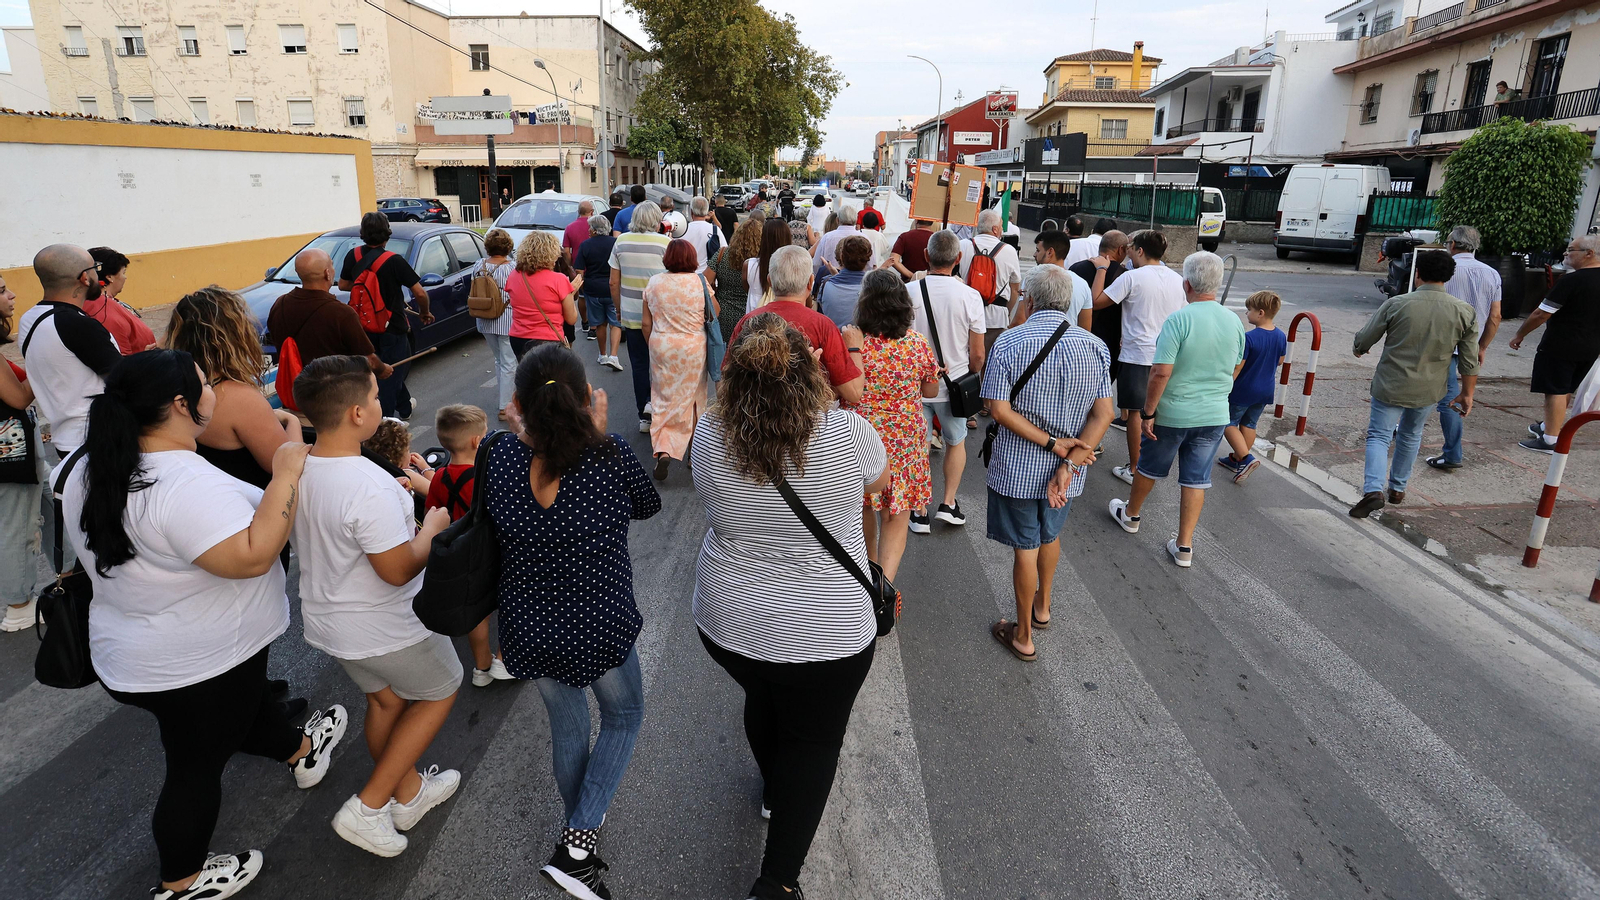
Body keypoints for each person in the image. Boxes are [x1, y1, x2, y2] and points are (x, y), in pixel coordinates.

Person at [60, 349, 347, 899]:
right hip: (199, 662)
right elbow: (252, 555)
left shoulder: (89, 464)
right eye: (205, 385)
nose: (213, 392)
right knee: (194, 766)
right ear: (179, 404)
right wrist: (288, 469)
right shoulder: (181, 484)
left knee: (235, 712)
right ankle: (182, 879)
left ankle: (301, 749)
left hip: (136, 650)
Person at [689, 313, 888, 900]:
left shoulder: (710, 433)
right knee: (813, 741)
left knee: (764, 696)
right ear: (811, 373)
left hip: (730, 622)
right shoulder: (846, 433)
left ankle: (775, 790)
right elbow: (877, 486)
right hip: (828, 631)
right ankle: (776, 883)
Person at [483, 344, 659, 898]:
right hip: (598, 626)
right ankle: (577, 844)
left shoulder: (498, 455)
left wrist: (528, 432)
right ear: (586, 399)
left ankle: (578, 829)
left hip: (529, 628)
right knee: (624, 717)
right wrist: (599, 437)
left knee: (569, 729)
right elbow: (647, 504)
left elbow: (518, 473)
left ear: (518, 406)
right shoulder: (607, 456)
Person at [290, 355, 462, 857]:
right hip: (386, 625)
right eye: (372, 396)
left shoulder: (300, 466)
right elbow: (398, 569)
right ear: (356, 414)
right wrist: (433, 528)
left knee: (386, 702)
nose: (378, 403)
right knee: (441, 689)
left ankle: (408, 794)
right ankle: (368, 807)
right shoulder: (367, 483)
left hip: (330, 624)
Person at [983, 264, 1114, 660]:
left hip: (1018, 466)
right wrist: (1070, 462)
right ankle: (1043, 607)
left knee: (1025, 545)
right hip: (1067, 473)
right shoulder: (1095, 346)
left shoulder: (1009, 342)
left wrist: (1053, 443)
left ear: (1029, 299)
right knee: (1050, 535)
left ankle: (1023, 636)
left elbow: (998, 410)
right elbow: (1104, 414)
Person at [1106, 252, 1246, 567]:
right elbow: (1238, 363)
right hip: (1213, 414)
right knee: (1196, 479)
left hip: (1174, 413)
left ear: (1187, 284)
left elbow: (1160, 372)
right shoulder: (1233, 321)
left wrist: (1148, 412)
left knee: (1149, 467)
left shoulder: (1179, 320)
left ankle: (1131, 515)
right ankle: (1184, 546)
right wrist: (1219, 390)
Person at [1348, 251, 1480, 517]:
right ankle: (1397, 489)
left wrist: (1359, 348)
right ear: (1448, 277)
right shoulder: (1464, 311)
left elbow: (1365, 338)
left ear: (1417, 273)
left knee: (1379, 435)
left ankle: (1373, 490)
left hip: (1391, 383)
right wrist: (1467, 393)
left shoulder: (1397, 304)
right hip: (1430, 387)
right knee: (1410, 434)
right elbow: (1469, 359)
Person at [849, 270, 938, 582]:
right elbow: (930, 391)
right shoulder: (916, 343)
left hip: (860, 440)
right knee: (895, 513)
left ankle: (866, 573)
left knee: (862, 507)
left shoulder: (854, 343)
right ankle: (885, 585)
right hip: (903, 441)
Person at [165, 286, 299, 489]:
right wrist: (292, 421)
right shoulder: (238, 398)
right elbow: (289, 467)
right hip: (256, 504)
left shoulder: (170, 386)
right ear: (234, 337)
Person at [420, 403, 512, 688]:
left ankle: (481, 667)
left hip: (464, 555)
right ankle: (505, 661)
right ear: (476, 441)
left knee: (477, 612)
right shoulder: (486, 477)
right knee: (508, 602)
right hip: (491, 551)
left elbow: (431, 513)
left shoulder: (439, 476)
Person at [1091, 230, 1186, 483]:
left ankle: (1135, 469)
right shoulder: (1178, 280)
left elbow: (1096, 301)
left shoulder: (1132, 277)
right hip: (1167, 355)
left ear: (1141, 251)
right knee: (1157, 413)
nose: (1128, 253)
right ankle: (1152, 468)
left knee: (1136, 413)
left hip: (1136, 355)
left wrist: (1101, 269)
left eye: (1131, 248)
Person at [907, 230, 985, 534]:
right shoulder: (970, 296)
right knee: (956, 442)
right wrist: (971, 375)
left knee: (918, 447)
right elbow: (977, 354)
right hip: (954, 387)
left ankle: (918, 511)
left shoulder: (907, 292)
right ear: (958, 258)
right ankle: (948, 503)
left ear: (926, 256)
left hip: (913, 386)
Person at [18, 243, 120, 457]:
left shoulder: (29, 319)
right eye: (95, 268)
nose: (97, 273)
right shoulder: (76, 325)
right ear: (84, 278)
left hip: (66, 440)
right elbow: (122, 377)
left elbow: (69, 365)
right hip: (98, 441)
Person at [731, 245, 864, 404]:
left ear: (770, 281)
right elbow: (853, 393)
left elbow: (726, 384)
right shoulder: (822, 325)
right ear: (810, 282)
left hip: (754, 413)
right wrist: (854, 349)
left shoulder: (748, 321)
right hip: (807, 413)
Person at [339, 212, 434, 419]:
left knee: (382, 369)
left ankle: (405, 408)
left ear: (363, 233)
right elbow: (419, 293)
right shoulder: (394, 261)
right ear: (387, 234)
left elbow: (343, 285)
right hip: (393, 326)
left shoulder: (353, 256)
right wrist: (424, 312)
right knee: (390, 374)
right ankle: (385, 421)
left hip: (363, 324)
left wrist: (365, 285)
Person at [1510, 234, 1599, 453]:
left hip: (1562, 343)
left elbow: (1541, 313)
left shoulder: (1573, 280)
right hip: (1591, 345)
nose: (1566, 254)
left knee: (1555, 390)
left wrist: (1520, 334)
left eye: (1572, 250)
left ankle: (1550, 440)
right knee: (1566, 387)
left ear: (1589, 253)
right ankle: (1551, 426)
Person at [267, 248, 393, 397]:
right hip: (333, 396)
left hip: (297, 392)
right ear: (327, 273)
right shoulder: (342, 313)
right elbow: (369, 359)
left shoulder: (280, 304)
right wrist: (382, 369)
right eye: (332, 265)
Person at [1427, 225, 1502, 469]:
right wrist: (1483, 346)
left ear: (1452, 244)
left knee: (1446, 397)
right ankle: (1449, 451)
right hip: (1470, 343)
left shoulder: (1446, 270)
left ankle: (1452, 454)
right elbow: (1495, 316)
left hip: (1442, 342)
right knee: (1449, 393)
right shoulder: (1492, 274)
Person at [643, 238, 715, 480]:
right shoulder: (700, 282)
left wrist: (654, 345)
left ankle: (664, 450)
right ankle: (694, 454)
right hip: (693, 347)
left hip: (662, 346)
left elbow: (646, 323)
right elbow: (715, 311)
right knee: (694, 398)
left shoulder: (654, 282)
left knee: (663, 398)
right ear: (692, 258)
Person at [0, 273, 44, 632]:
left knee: (53, 504)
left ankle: (68, 575)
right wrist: (46, 362)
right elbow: (18, 397)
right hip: (10, 455)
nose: (12, 295)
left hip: (19, 450)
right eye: (2, 291)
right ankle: (18, 606)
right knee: (16, 528)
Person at [610, 201, 671, 433]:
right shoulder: (665, 243)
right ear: (657, 220)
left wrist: (619, 309)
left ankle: (644, 415)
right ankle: (660, 409)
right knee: (662, 364)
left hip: (632, 313)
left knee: (639, 364)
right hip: (660, 315)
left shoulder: (621, 242)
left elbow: (613, 282)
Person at [1216, 291, 1287, 483]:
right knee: (1249, 423)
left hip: (1244, 389)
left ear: (1260, 313)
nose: (1247, 313)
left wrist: (1226, 386)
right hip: (1265, 390)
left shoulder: (1249, 338)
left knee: (1228, 422)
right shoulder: (1281, 336)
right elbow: (1280, 360)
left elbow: (1238, 366)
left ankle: (1245, 458)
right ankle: (1237, 460)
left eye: (1249, 310)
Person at [507, 231, 581, 360]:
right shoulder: (559, 279)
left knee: (528, 372)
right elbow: (571, 319)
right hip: (548, 340)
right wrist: (570, 292)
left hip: (519, 338)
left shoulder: (514, 275)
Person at [959, 209, 1023, 356]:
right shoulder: (1009, 251)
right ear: (994, 229)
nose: (1002, 230)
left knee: (967, 360)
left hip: (966, 314)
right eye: (1001, 226)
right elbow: (1015, 289)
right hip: (996, 318)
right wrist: (1006, 312)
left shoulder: (963, 245)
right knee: (990, 361)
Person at [1068, 230, 1127, 382]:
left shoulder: (1076, 268)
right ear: (1121, 249)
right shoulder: (1124, 275)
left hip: (1075, 339)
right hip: (1108, 343)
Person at [472, 229, 518, 419]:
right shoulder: (512, 268)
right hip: (507, 319)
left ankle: (504, 399)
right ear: (508, 247)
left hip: (484, 318)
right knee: (509, 363)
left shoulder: (479, 265)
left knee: (499, 360)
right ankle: (505, 406)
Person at [572, 215, 622, 372]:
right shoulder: (615, 243)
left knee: (600, 324)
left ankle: (602, 354)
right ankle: (614, 356)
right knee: (615, 323)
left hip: (593, 289)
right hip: (613, 288)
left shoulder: (585, 245)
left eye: (590, 228)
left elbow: (579, 269)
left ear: (594, 230)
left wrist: (582, 285)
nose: (588, 231)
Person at [85, 246, 157, 354]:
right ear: (109, 277)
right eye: (123, 272)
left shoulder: (102, 303)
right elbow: (118, 356)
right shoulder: (102, 310)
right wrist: (141, 357)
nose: (125, 277)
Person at [710, 216, 759, 342]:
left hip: (724, 313)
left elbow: (705, 280)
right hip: (751, 312)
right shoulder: (759, 260)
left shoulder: (722, 253)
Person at [816, 234, 873, 328]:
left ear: (841, 257)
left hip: (833, 336)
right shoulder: (874, 287)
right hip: (861, 336)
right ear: (868, 259)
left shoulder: (826, 284)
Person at [744, 217, 793, 313]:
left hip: (755, 316)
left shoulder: (749, 265)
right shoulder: (793, 268)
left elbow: (746, 288)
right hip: (784, 317)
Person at [684, 195, 720, 272]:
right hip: (709, 275)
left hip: (688, 274)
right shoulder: (715, 230)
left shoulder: (683, 230)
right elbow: (723, 252)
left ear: (691, 211)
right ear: (706, 211)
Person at [561, 200, 595, 267]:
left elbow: (566, 251)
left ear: (578, 211)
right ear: (592, 212)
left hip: (577, 264)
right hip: (594, 265)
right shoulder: (595, 226)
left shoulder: (570, 227)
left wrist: (569, 265)